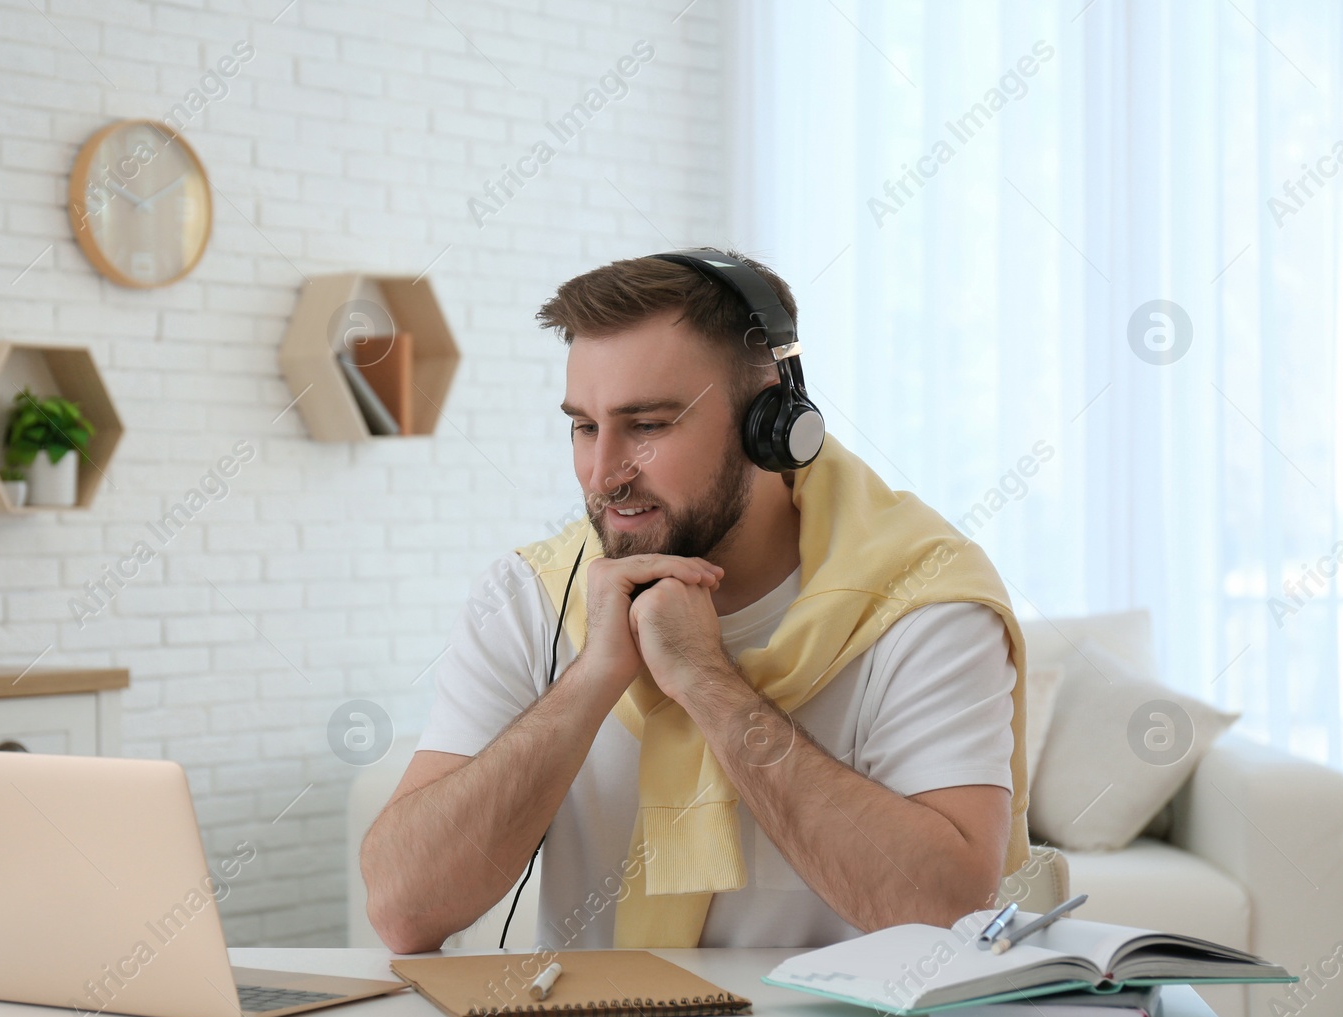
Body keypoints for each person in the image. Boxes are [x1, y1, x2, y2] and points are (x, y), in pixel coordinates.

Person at [361, 250, 1029, 955]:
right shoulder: (530, 595)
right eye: (585, 426)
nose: (602, 473)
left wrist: (706, 682)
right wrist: (591, 677)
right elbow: (404, 909)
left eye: (646, 425)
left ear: (772, 422)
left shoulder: (922, 600)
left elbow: (948, 910)